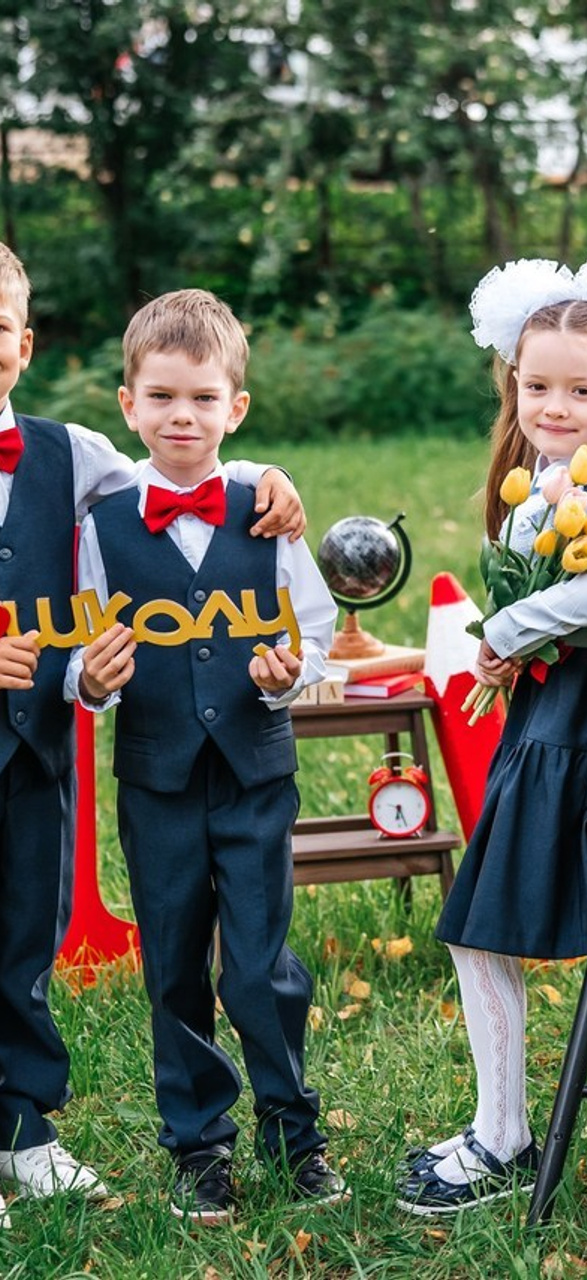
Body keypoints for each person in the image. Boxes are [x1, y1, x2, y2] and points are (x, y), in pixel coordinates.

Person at [0, 245, 304, 1228]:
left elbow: (176, 474)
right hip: (138, 759)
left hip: (31, 747)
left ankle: (24, 1129)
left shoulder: (75, 456)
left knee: (22, 939)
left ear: (26, 342)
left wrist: (266, 477)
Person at [395, 248, 587, 1216]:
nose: (553, 405)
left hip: (586, 746)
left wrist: (506, 630)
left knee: (479, 935)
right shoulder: (551, 476)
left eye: (578, 388)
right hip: (554, 728)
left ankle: (501, 1134)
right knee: (479, 935)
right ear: (511, 383)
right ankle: (499, 1123)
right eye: (536, 385)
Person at [66, 288, 342, 1225]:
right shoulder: (100, 522)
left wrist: (286, 673)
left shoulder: (266, 507)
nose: (183, 417)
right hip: (156, 777)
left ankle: (293, 1132)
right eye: (162, 398)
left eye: (203, 399)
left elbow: (314, 624)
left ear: (237, 408)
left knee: (261, 964)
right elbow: (78, 645)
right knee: (174, 962)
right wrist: (89, 681)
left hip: (255, 774)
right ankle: (197, 1147)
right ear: (129, 404)